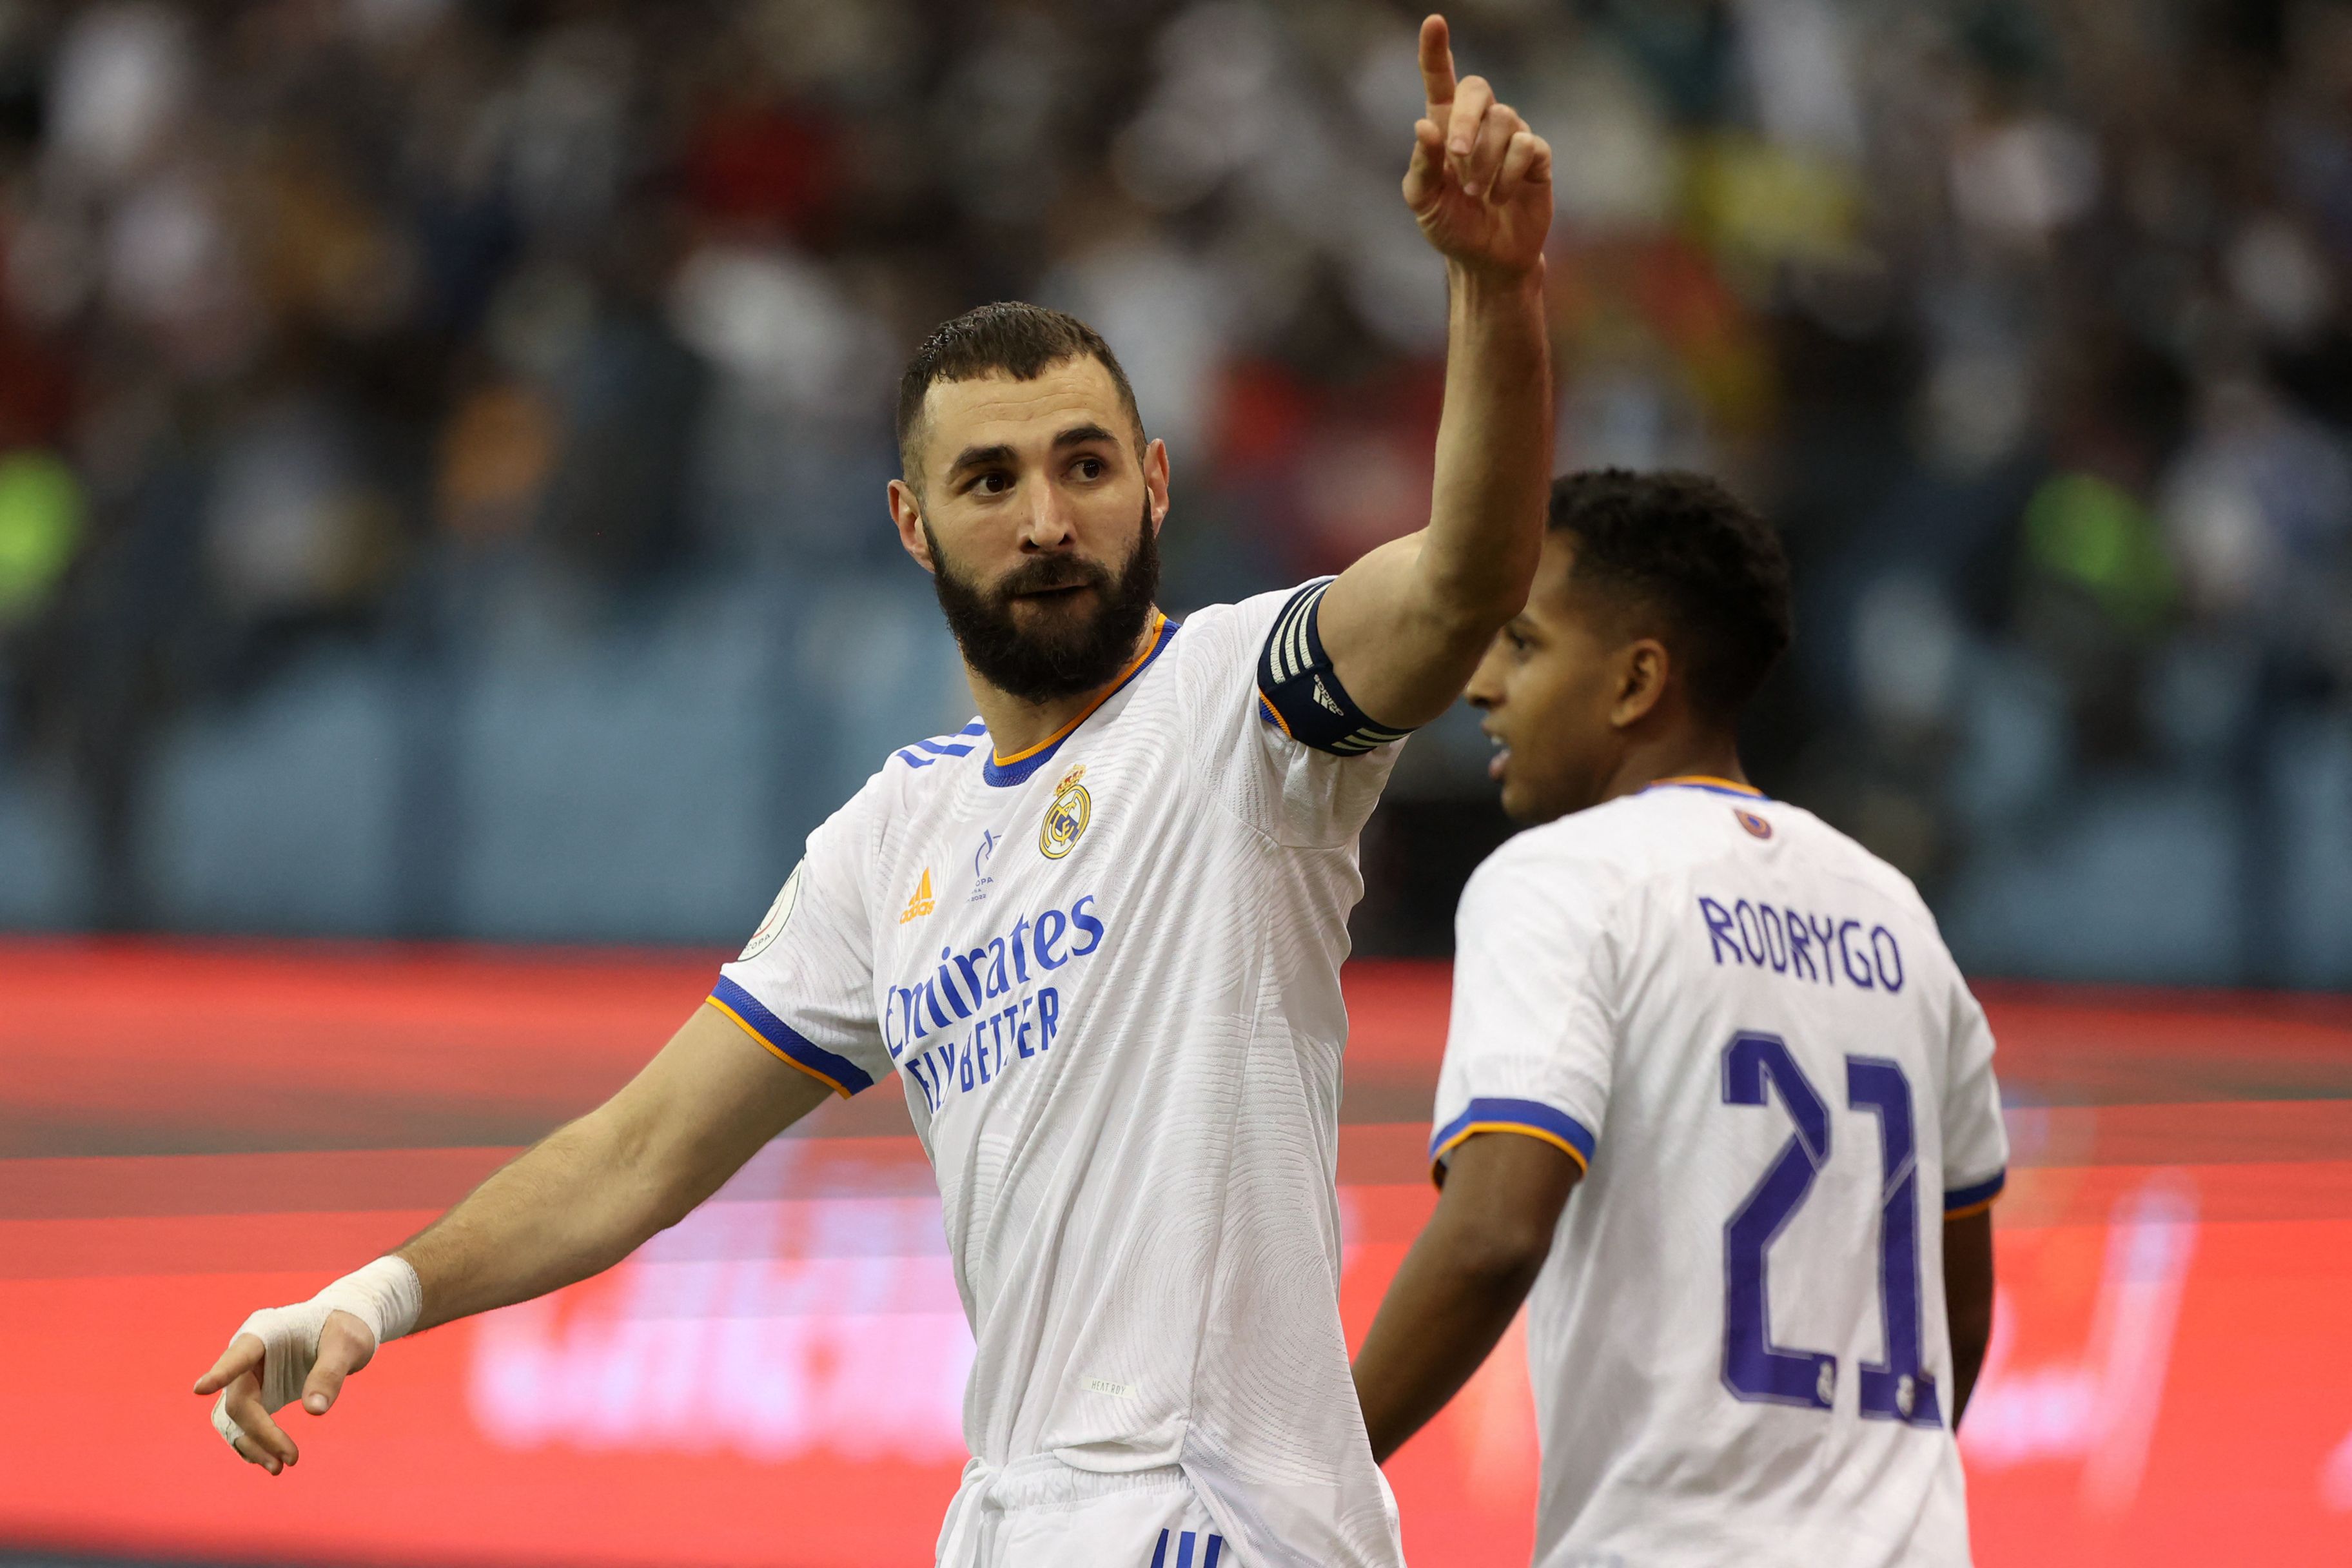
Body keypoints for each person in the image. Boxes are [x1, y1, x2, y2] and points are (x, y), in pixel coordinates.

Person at [191, 16, 1553, 1566]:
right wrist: (375, 1294)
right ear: (912, 524)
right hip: (1012, 1514)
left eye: (1086, 465)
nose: (1047, 518)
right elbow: (639, 1153)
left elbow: (1463, 579)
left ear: (1157, 483)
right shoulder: (890, 839)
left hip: (1215, 1512)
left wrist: (1493, 291)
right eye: (991, 480)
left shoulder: (1244, 702)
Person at [1350, 470, 2007, 1566]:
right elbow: (1962, 1318)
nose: (1482, 685)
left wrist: (1302, 1473)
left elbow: (1495, 1233)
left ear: (1637, 681)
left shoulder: (1562, 879)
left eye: (1523, 645)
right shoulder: (1898, 917)